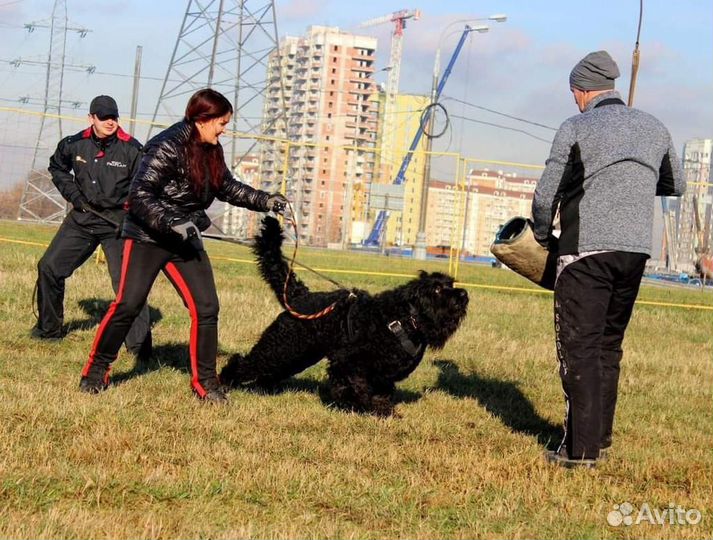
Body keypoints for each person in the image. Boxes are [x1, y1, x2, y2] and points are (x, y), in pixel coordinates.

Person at [79, 88, 288, 402]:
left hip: (184, 237)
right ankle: (96, 370)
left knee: (207, 308)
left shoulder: (211, 147)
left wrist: (265, 201)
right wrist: (171, 222)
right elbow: (139, 195)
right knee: (128, 305)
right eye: (221, 122)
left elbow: (226, 186)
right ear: (202, 119)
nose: (224, 129)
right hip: (148, 236)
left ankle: (206, 384)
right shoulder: (167, 145)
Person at [532, 51, 685, 468]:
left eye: (573, 94)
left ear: (582, 91)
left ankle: (579, 452)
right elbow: (677, 183)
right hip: (635, 251)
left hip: (586, 250)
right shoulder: (654, 127)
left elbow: (547, 195)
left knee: (578, 348)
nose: (574, 102)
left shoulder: (576, 126)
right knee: (607, 346)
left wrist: (542, 236)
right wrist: (630, 186)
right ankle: (598, 437)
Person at [32, 95, 152, 361]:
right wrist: (75, 197)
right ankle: (49, 329)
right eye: (104, 117)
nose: (110, 122)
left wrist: (132, 215)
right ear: (91, 118)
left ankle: (139, 348)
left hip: (117, 224)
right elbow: (57, 168)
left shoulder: (133, 150)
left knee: (128, 285)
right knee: (49, 267)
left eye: (114, 117)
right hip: (82, 218)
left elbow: (145, 187)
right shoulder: (74, 144)